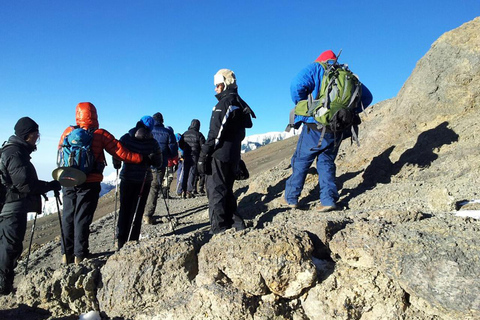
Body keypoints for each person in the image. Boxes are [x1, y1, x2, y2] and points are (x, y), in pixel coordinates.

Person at [283, 50, 373, 211]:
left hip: (315, 125)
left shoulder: (316, 68)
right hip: (337, 128)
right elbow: (367, 97)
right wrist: (345, 113)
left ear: (321, 59)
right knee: (326, 162)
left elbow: (296, 84)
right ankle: (328, 200)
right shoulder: (347, 75)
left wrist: (305, 106)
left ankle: (291, 198)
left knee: (301, 160)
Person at [58, 102, 145, 265]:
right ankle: (80, 253)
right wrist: (141, 158)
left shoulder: (68, 132)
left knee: (68, 216)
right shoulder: (100, 134)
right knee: (82, 217)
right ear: (95, 115)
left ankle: (66, 254)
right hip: (89, 182)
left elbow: (60, 153)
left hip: (69, 180)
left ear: (78, 115)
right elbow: (121, 152)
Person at [0, 117, 61, 295]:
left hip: (8, 206)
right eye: (36, 134)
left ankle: (4, 285)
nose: (37, 138)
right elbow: (25, 184)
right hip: (12, 207)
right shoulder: (16, 153)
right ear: (28, 135)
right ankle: (3, 287)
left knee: (7, 246)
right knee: (10, 247)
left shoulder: (12, 150)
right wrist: (49, 186)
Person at [198, 69, 255, 234]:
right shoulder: (240, 102)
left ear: (223, 84)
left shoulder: (224, 103)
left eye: (217, 86)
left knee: (216, 191)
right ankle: (236, 223)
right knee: (227, 190)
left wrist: (204, 155)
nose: (215, 89)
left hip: (219, 155)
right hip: (233, 154)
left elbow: (215, 134)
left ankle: (218, 229)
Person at [114, 116, 162, 249]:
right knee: (138, 211)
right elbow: (158, 163)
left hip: (127, 178)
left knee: (125, 210)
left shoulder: (125, 138)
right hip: (144, 180)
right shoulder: (152, 142)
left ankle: (120, 240)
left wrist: (117, 164)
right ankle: (133, 241)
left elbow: (117, 157)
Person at [144, 113, 178, 224]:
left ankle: (139, 212)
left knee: (143, 188)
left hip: (144, 164)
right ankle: (148, 215)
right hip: (160, 164)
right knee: (154, 188)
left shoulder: (146, 131)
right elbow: (173, 149)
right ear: (162, 120)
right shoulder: (168, 132)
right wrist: (171, 157)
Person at [179, 119, 205, 198]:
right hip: (195, 156)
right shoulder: (199, 135)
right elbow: (203, 146)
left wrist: (185, 149)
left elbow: (180, 144)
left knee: (185, 173)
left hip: (186, 155)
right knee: (192, 173)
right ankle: (189, 191)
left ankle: (183, 190)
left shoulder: (185, 134)